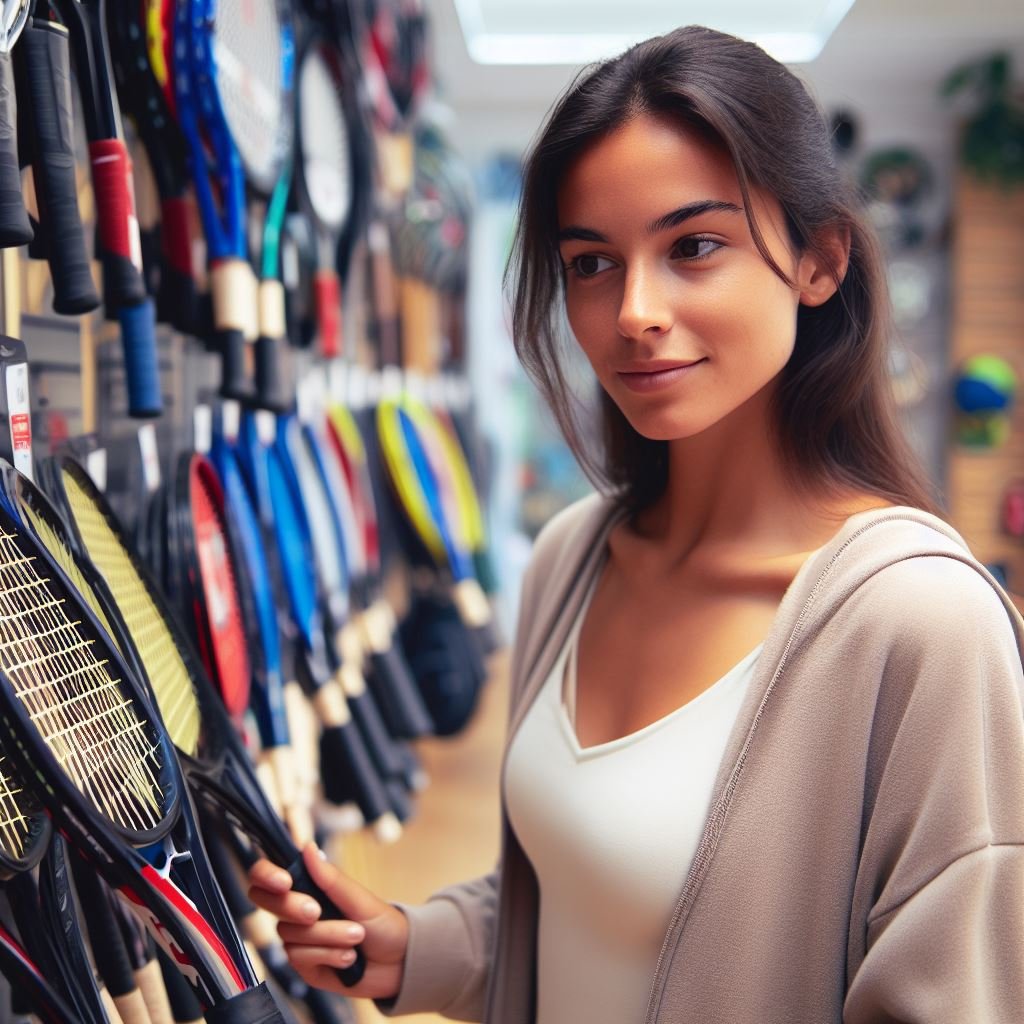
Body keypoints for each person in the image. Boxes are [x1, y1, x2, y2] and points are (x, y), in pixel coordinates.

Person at [249, 25, 1024, 1023]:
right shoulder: (571, 559)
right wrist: (414, 948)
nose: (633, 311)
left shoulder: (925, 624)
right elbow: (586, 900)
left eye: (692, 246)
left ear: (819, 260)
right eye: (591, 263)